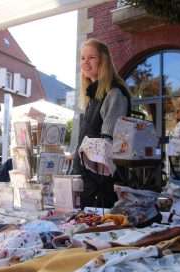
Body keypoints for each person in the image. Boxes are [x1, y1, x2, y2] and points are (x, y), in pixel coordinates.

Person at [72, 38, 131, 208]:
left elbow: (107, 146)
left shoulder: (114, 94)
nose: (85, 62)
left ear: (103, 60)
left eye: (92, 58)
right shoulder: (93, 96)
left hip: (101, 188)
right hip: (88, 183)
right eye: (83, 58)